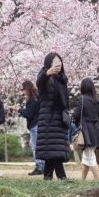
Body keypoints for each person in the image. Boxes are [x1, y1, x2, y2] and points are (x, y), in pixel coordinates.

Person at [35, 52, 69, 180]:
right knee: (54, 149)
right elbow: (39, 84)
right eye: (55, 61)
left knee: (54, 149)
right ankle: (62, 177)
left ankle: (48, 177)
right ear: (49, 62)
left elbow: (65, 100)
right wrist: (47, 73)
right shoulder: (44, 74)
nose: (58, 63)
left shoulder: (62, 78)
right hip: (48, 118)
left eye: (59, 61)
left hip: (59, 118)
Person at [73, 78, 99, 180]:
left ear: (83, 87)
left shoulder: (81, 99)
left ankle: (98, 180)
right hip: (96, 129)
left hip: (86, 130)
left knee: (90, 156)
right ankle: (82, 181)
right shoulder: (98, 99)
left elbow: (76, 114)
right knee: (87, 156)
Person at [13, 80, 43, 175]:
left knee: (35, 147)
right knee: (40, 146)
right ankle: (43, 166)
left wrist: (19, 110)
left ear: (27, 88)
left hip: (35, 125)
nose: (23, 92)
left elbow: (29, 114)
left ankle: (39, 167)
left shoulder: (32, 100)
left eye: (23, 89)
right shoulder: (37, 97)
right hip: (39, 124)